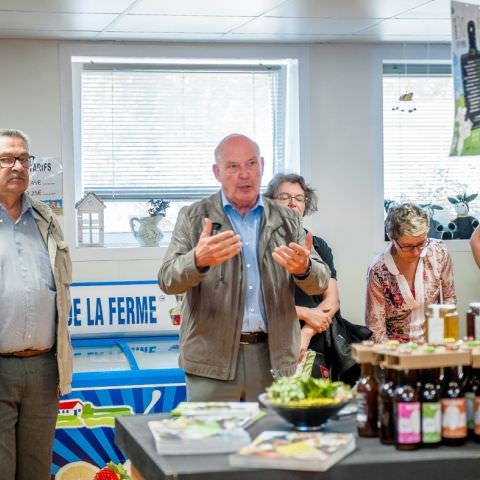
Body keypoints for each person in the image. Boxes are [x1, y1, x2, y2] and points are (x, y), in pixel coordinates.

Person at [158, 134, 330, 401]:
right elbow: (168, 280)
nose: (244, 175)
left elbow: (320, 281)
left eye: (251, 164)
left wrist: (304, 268)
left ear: (261, 165)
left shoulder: (286, 220)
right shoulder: (193, 216)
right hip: (211, 363)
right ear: (217, 172)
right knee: (214, 442)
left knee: (272, 441)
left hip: (274, 361)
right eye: (233, 166)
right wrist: (197, 260)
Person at [0, 129, 73, 480]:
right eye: (6, 159)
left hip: (45, 369)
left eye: (23, 159)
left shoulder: (46, 219)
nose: (17, 166)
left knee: (36, 469)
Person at [265, 173, 370, 383]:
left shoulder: (319, 245)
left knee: (313, 407)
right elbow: (252, 305)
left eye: (299, 198)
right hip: (270, 339)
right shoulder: (259, 244)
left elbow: (332, 301)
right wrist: (303, 313)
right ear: (270, 202)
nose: (292, 203)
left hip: (315, 342)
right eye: (284, 196)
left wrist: (306, 332)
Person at [366, 202, 456, 343]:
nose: (416, 252)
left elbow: (449, 299)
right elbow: (375, 327)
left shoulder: (439, 252)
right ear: (391, 237)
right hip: (396, 353)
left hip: (435, 345)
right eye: (408, 246)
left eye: (421, 243)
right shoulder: (378, 270)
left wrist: (443, 341)